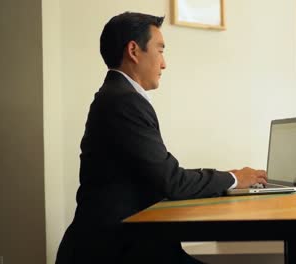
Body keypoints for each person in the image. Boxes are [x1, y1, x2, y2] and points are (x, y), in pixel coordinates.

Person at [55, 12, 267, 264]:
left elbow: (160, 176)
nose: (164, 63)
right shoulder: (123, 101)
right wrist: (233, 178)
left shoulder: (118, 96)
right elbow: (172, 181)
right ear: (134, 50)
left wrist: (227, 179)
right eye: (160, 50)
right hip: (116, 250)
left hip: (131, 242)